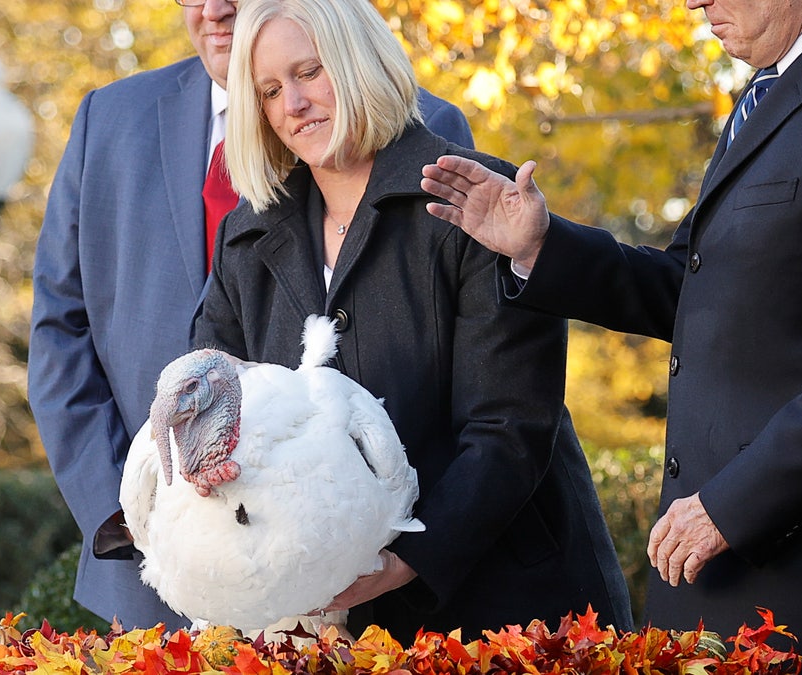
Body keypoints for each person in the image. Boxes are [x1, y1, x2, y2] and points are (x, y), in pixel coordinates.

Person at [419, 0, 802, 671]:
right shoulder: (774, 90)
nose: (693, 2)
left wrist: (730, 506)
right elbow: (692, 288)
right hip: (719, 591)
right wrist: (540, 245)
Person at [190, 0, 633, 639]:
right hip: (316, 621)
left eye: (310, 72)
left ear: (357, 62)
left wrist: (405, 559)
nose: (293, 104)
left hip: (503, 613)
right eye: (268, 90)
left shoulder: (476, 198)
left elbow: (510, 424)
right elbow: (210, 390)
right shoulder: (246, 236)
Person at [29, 0, 474, 631]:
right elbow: (60, 334)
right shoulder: (109, 119)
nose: (214, 9)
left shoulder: (426, 124)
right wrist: (139, 519)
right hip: (154, 568)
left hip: (369, 580)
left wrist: (392, 547)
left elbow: (479, 389)